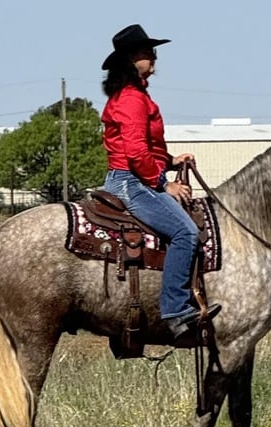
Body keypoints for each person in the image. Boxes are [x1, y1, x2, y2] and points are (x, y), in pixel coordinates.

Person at [100, 24, 220, 339]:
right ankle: (176, 311)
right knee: (185, 232)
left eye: (153, 51)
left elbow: (146, 148)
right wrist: (164, 183)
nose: (153, 57)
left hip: (134, 176)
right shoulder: (131, 98)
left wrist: (170, 161)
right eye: (146, 52)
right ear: (129, 59)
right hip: (131, 182)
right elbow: (136, 151)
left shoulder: (135, 95)